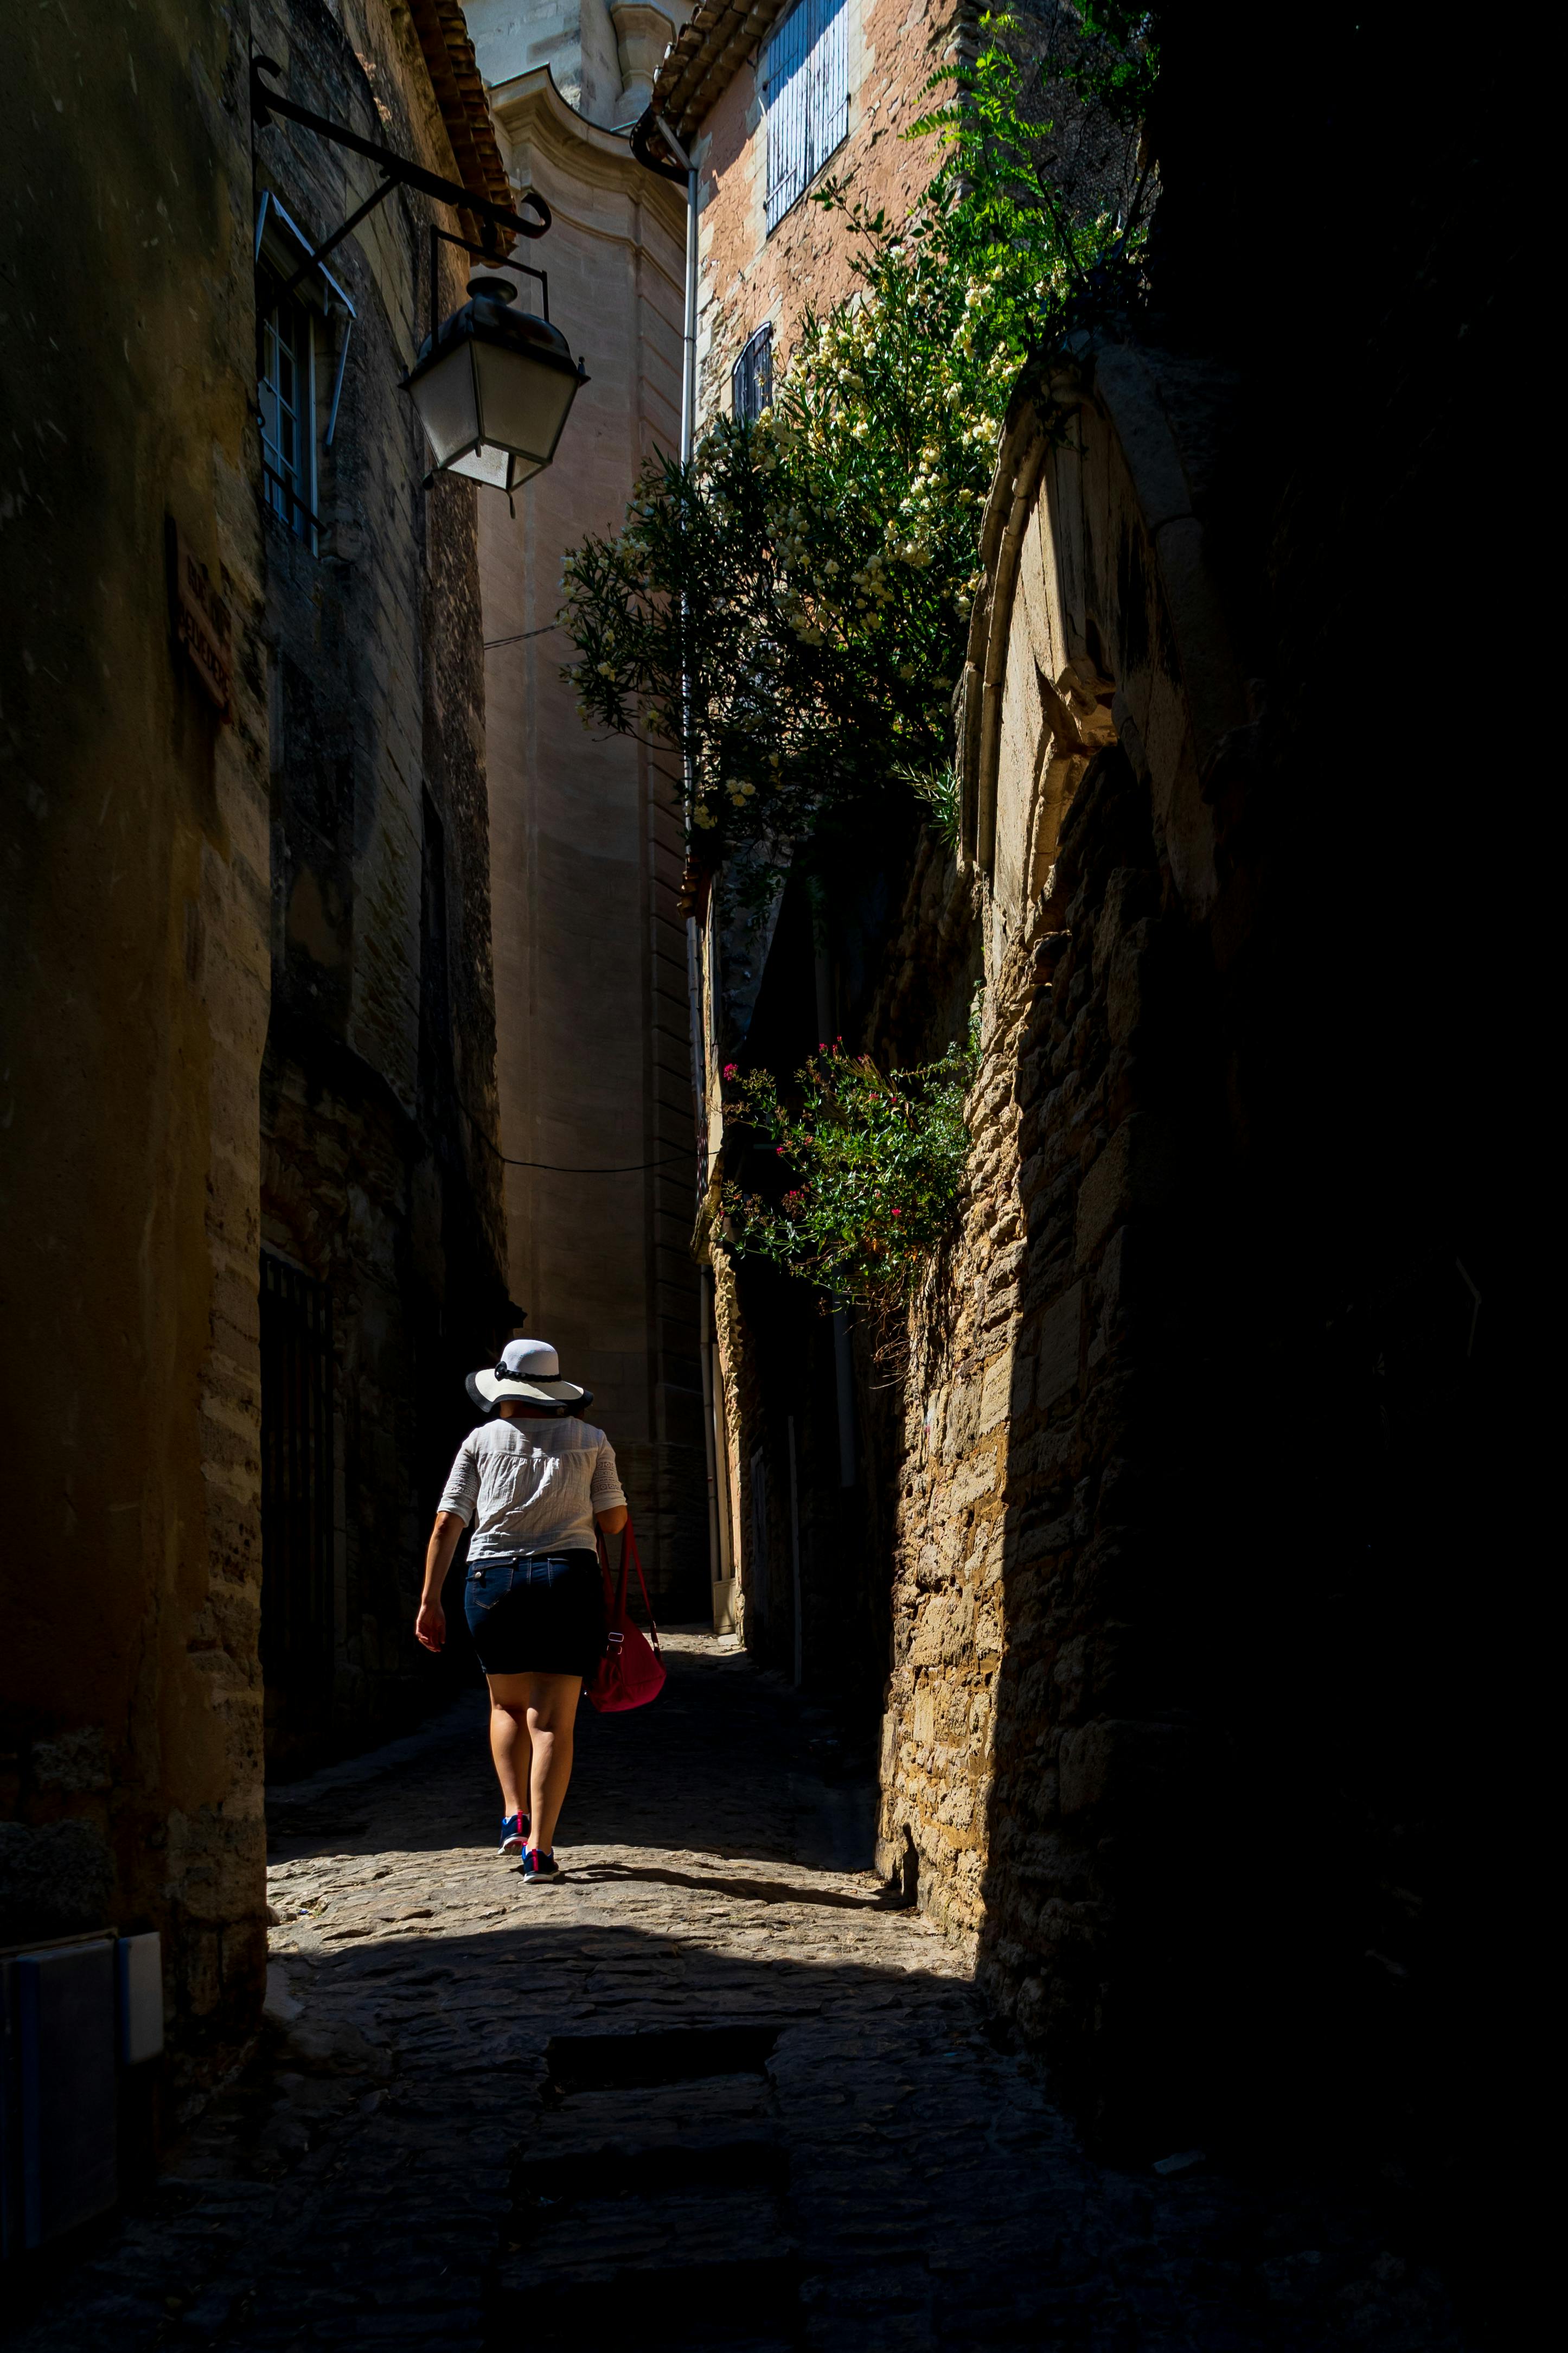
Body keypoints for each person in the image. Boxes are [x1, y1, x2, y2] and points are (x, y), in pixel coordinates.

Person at [415, 1337, 627, 1882]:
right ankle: (541, 1849)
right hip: (566, 1581)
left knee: (506, 1706)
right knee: (552, 1720)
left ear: (504, 1389)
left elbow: (447, 1523)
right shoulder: (591, 1439)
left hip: (491, 1582)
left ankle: (513, 1813)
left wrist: (429, 1600)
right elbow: (613, 1522)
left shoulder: (479, 1441)